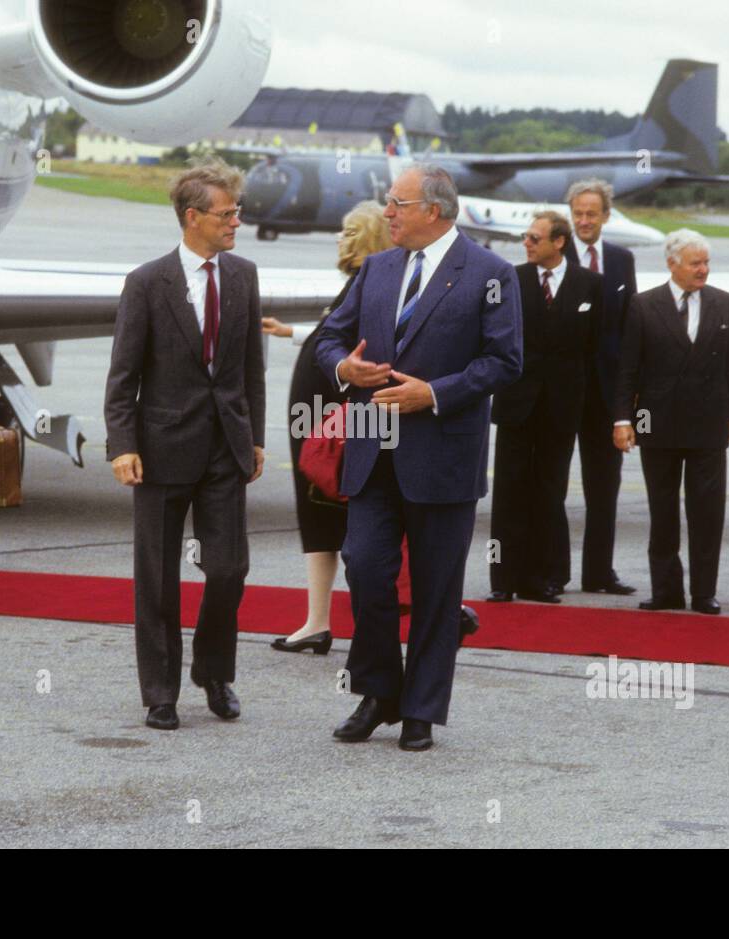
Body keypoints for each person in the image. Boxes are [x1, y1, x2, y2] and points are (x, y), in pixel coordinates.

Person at [315, 164, 522, 751]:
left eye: (396, 203)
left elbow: (504, 362)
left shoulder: (491, 273)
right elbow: (330, 336)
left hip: (444, 457)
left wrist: (432, 393)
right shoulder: (378, 269)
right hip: (372, 454)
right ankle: (380, 690)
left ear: (433, 210)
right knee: (365, 566)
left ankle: (422, 710)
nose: (387, 212)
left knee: (435, 588)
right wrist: (343, 368)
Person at [104, 159, 265, 730]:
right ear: (192, 217)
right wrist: (122, 444)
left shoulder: (243, 274)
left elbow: (251, 366)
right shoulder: (147, 283)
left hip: (226, 447)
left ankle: (214, 671)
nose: (236, 223)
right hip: (161, 448)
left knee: (228, 569)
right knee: (157, 574)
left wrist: (256, 438)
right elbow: (123, 374)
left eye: (237, 212)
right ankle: (160, 691)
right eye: (226, 214)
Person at [262, 201, 391, 654]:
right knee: (324, 520)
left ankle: (337, 622)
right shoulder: (363, 285)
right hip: (324, 421)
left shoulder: (369, 285)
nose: (338, 238)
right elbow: (330, 337)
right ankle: (318, 620)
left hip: (333, 425)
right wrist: (292, 333)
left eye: (346, 230)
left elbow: (352, 348)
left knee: (339, 520)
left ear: (364, 237)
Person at [614, 229, 729, 616]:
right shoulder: (643, 305)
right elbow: (628, 370)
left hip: (709, 425)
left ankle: (704, 592)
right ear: (672, 264)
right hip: (658, 424)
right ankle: (666, 590)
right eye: (695, 263)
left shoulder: (723, 303)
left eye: (706, 262)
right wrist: (624, 419)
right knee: (663, 511)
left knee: (707, 512)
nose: (703, 269)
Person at [488, 211, 601, 602]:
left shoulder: (591, 286)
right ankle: (502, 579)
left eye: (535, 238)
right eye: (526, 237)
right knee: (508, 490)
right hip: (516, 403)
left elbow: (598, 351)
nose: (527, 243)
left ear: (559, 242)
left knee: (549, 491)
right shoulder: (511, 280)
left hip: (562, 406)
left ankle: (541, 577)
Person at [564, 179, 639, 596]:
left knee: (604, 488)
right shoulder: (557, 255)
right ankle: (548, 572)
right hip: (563, 391)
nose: (585, 220)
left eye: (592, 213)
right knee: (550, 486)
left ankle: (599, 573)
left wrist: (630, 395)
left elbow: (631, 326)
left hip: (607, 394)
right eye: (578, 213)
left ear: (606, 216)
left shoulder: (621, 260)